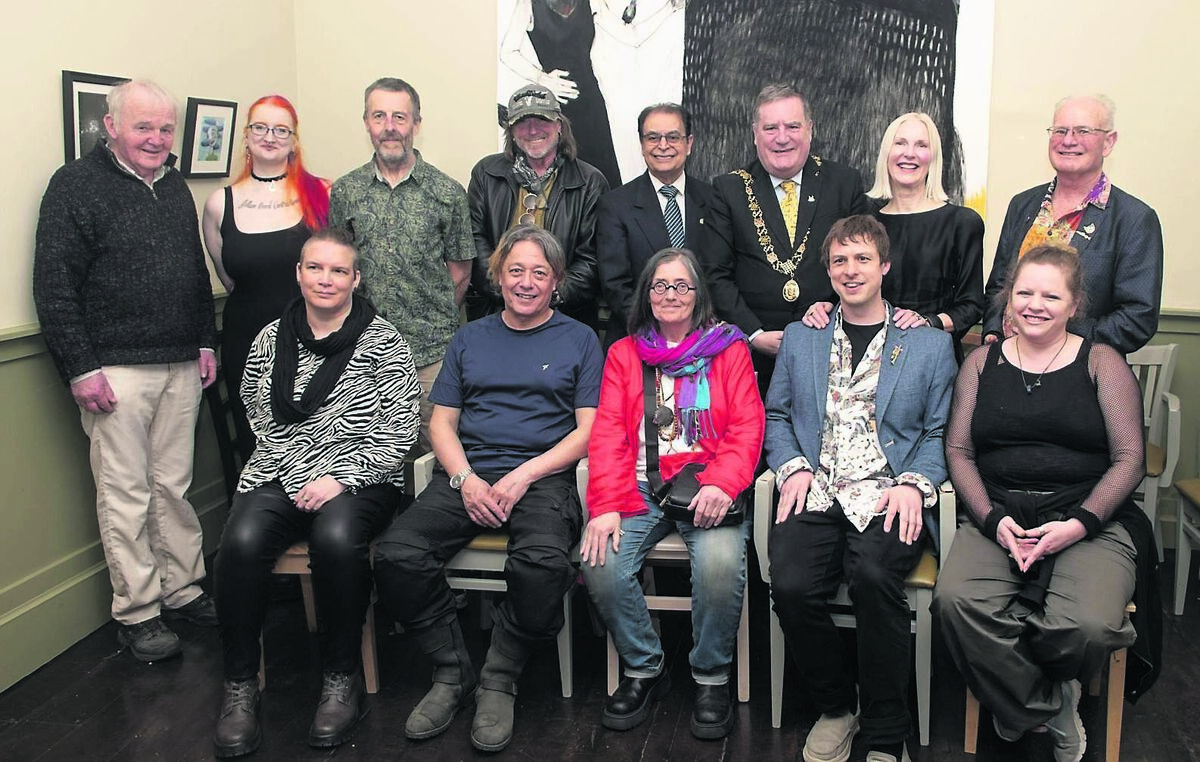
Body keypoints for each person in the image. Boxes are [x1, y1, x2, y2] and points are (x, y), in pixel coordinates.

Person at [373, 225, 603, 752]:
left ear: (557, 283)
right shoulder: (470, 337)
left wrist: (524, 475)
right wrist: (467, 479)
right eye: (515, 270)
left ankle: (500, 673)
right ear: (498, 276)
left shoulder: (579, 339)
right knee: (397, 553)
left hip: (544, 478)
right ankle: (452, 672)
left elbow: (588, 430)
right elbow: (440, 424)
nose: (526, 282)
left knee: (544, 565)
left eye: (539, 273)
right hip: (469, 475)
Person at [933, 245, 1159, 762]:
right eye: (1025, 292)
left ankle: (1016, 703)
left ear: (1075, 304)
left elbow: (1129, 460)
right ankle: (1050, 707)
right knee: (957, 603)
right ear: (1009, 299)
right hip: (1002, 513)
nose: (1035, 304)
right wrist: (993, 520)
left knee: (1086, 626)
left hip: (1089, 519)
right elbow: (959, 450)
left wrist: (1078, 525)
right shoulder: (980, 362)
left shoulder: (1102, 361)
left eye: (1050, 295)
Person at [211, 228, 420, 758]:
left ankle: (340, 678)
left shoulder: (384, 342)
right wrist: (300, 472)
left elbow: (398, 431)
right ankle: (238, 686)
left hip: (363, 476)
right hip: (280, 471)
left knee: (335, 536)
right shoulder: (268, 339)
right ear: (299, 274)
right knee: (240, 540)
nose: (325, 279)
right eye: (315, 268)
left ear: (355, 278)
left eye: (337, 270)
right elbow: (257, 415)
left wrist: (337, 477)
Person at [33, 79, 220, 663]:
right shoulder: (74, 187)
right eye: (144, 127)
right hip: (113, 370)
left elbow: (194, 271)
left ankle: (183, 588)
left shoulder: (176, 185)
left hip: (182, 361)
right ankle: (138, 612)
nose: (157, 139)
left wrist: (204, 341)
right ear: (110, 126)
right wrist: (79, 368)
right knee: (125, 493)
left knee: (173, 486)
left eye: (166, 128)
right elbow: (54, 286)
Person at [764, 215, 955, 762]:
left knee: (874, 579)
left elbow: (941, 431)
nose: (851, 271)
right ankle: (835, 708)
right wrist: (794, 466)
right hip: (817, 487)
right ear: (827, 270)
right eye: (840, 261)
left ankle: (885, 728)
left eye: (862, 259)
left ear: (884, 267)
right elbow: (776, 415)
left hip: (888, 489)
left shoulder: (928, 344)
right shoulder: (804, 335)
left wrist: (915, 485)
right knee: (793, 586)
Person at [581, 248, 763, 739]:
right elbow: (608, 437)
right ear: (647, 294)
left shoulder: (728, 349)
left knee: (722, 564)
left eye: (681, 285)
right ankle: (645, 668)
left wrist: (723, 483)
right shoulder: (624, 354)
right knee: (599, 561)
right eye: (660, 285)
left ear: (698, 293)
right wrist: (605, 506)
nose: (670, 295)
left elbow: (747, 427)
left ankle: (709, 676)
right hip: (640, 484)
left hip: (707, 485)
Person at [329, 77, 474, 453]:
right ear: (366, 123)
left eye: (399, 117)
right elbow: (336, 268)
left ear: (416, 124)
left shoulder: (447, 192)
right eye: (379, 116)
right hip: (362, 355)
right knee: (368, 458)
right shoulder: (346, 192)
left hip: (430, 358)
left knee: (436, 458)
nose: (390, 127)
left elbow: (460, 274)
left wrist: (429, 321)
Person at [705, 83, 871, 394]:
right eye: (771, 128)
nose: (782, 137)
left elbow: (864, 263)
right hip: (750, 358)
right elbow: (715, 274)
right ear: (755, 133)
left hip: (831, 349)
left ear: (810, 129)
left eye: (792, 126)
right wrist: (753, 333)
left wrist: (832, 309)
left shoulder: (843, 183)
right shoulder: (729, 190)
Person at [982, 95, 1163, 355]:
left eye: (1083, 131)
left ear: (1108, 142)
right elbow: (999, 286)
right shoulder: (1022, 205)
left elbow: (1138, 318)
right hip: (1009, 363)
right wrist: (993, 331)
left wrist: (1059, 338)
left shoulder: (1134, 219)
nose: (1068, 140)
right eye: (1060, 130)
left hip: (1079, 372)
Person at [202, 94, 330, 462]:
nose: (269, 136)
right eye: (260, 127)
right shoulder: (219, 204)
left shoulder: (321, 195)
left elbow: (340, 272)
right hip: (248, 344)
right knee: (259, 447)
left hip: (314, 342)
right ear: (246, 135)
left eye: (280, 129)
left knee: (316, 446)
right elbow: (229, 280)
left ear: (294, 139)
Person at [801, 112, 984, 362]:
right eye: (900, 143)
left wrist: (929, 322)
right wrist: (825, 306)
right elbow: (848, 278)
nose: (909, 153)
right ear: (887, 152)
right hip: (864, 355)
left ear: (933, 157)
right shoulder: (863, 218)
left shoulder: (962, 223)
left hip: (928, 357)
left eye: (921, 145)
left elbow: (971, 305)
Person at [467, 83, 609, 328]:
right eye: (522, 122)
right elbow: (474, 241)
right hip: (495, 314)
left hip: (565, 319)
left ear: (559, 126)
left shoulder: (590, 182)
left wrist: (546, 296)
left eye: (541, 120)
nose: (532, 130)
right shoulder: (486, 174)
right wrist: (510, 292)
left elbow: (593, 258)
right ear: (511, 131)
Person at [597, 103, 715, 346]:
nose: (663, 146)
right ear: (642, 144)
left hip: (704, 341)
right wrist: (661, 331)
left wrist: (697, 331)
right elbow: (615, 285)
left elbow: (720, 274)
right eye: (653, 137)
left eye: (673, 137)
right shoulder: (615, 205)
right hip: (638, 339)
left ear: (689, 143)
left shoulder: (714, 200)